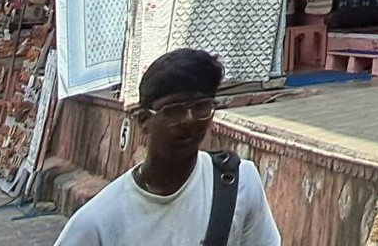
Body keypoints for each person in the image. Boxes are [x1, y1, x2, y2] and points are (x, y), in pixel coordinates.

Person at [54, 49, 280, 246]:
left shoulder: (239, 182)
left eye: (201, 107)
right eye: (173, 110)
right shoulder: (98, 222)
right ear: (143, 120)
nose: (189, 120)